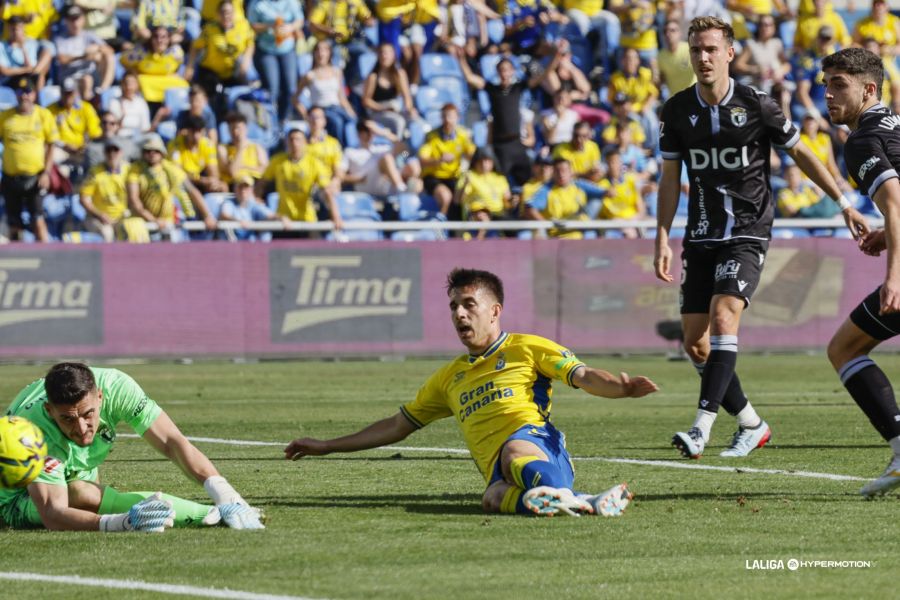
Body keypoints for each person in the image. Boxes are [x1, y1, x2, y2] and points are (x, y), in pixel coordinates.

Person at [654, 17, 869, 460]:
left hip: (748, 230)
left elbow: (803, 153)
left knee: (724, 313)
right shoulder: (676, 110)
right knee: (695, 342)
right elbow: (669, 178)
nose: (703, 57)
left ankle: (701, 427)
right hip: (700, 234)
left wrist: (844, 202)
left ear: (730, 54)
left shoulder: (758, 104)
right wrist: (661, 236)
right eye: (696, 50)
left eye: (712, 49)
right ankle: (752, 422)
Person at [284, 268, 658, 517]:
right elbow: (398, 425)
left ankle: (569, 495)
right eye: (453, 307)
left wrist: (621, 389)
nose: (459, 314)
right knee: (492, 497)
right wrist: (328, 445)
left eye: (468, 305)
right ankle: (584, 504)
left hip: (537, 445)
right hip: (499, 471)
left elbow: (584, 375)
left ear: (494, 311)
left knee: (513, 450)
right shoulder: (449, 378)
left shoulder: (527, 347)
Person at [0, 362, 264, 531]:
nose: (81, 428)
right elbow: (53, 514)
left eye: (88, 414)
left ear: (101, 396)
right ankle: (208, 515)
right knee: (82, 495)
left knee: (86, 490)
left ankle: (226, 510)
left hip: (73, 464)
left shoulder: (118, 387)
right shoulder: (32, 434)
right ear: (49, 410)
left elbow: (172, 441)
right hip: (15, 499)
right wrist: (120, 523)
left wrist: (226, 493)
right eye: (67, 419)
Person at [822, 47, 900, 497]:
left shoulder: (862, 141)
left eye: (839, 84)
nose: (828, 94)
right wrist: (888, 237)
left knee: (845, 349)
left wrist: (894, 276)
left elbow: (894, 204)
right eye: (826, 83)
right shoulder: (893, 127)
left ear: (868, 89)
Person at [0, 76, 58, 242]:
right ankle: (17, 260)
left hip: (35, 177)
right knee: (14, 223)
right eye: (20, 92)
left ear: (33, 94)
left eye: (27, 92)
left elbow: (51, 146)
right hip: (11, 177)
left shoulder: (43, 115)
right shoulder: (6, 117)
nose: (24, 96)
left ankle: (47, 258)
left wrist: (46, 173)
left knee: (38, 220)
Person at [127, 133, 218, 236]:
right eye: (148, 151)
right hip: (145, 225)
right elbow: (134, 201)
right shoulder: (135, 170)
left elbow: (192, 191)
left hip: (170, 224)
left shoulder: (171, 169)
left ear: (162, 153)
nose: (152, 154)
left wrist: (208, 216)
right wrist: (154, 220)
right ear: (143, 153)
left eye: (156, 151)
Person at [418, 103, 476, 216]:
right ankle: (442, 228)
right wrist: (439, 160)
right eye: (444, 116)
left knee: (465, 194)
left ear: (457, 118)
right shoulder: (431, 136)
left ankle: (459, 229)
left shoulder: (463, 135)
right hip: (434, 177)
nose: (447, 120)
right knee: (446, 197)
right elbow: (422, 160)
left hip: (454, 177)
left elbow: (472, 155)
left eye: (451, 116)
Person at [79, 138, 129, 242]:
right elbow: (84, 199)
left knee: (132, 229)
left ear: (121, 152)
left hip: (122, 216)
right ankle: (109, 258)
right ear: (104, 153)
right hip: (97, 217)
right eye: (109, 151)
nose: (112, 154)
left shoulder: (128, 170)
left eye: (115, 150)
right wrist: (100, 215)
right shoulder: (95, 172)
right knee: (107, 234)